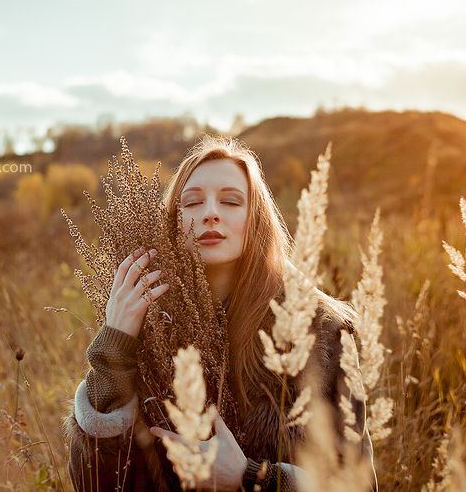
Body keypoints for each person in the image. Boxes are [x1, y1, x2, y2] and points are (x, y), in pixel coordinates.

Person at [64, 136, 377, 491]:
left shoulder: (321, 331)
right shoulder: (146, 326)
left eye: (230, 201)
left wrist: (253, 476)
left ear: (255, 218)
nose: (210, 212)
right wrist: (114, 346)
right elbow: (92, 483)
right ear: (172, 223)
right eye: (192, 202)